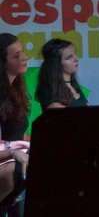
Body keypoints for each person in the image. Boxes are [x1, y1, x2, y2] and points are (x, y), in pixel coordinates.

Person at [0, 34, 31, 212]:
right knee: (17, 168)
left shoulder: (15, 90)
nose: (24, 57)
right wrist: (14, 153)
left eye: (23, 52)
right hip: (6, 163)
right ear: (3, 63)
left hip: (13, 157)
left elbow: (17, 135)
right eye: (16, 55)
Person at [35, 39, 89, 109]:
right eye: (69, 57)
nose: (77, 59)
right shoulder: (47, 90)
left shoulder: (74, 85)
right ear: (56, 64)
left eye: (75, 54)